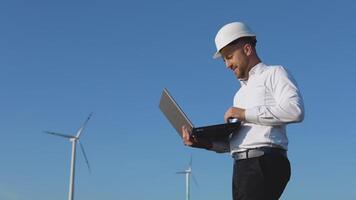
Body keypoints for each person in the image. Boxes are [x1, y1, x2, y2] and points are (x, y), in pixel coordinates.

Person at [181, 22, 304, 200]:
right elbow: (238, 143)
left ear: (247, 49)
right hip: (242, 166)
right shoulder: (239, 95)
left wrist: (244, 113)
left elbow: (295, 111)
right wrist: (205, 143)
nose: (227, 65)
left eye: (229, 57)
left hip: (264, 162)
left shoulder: (275, 73)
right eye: (224, 60)